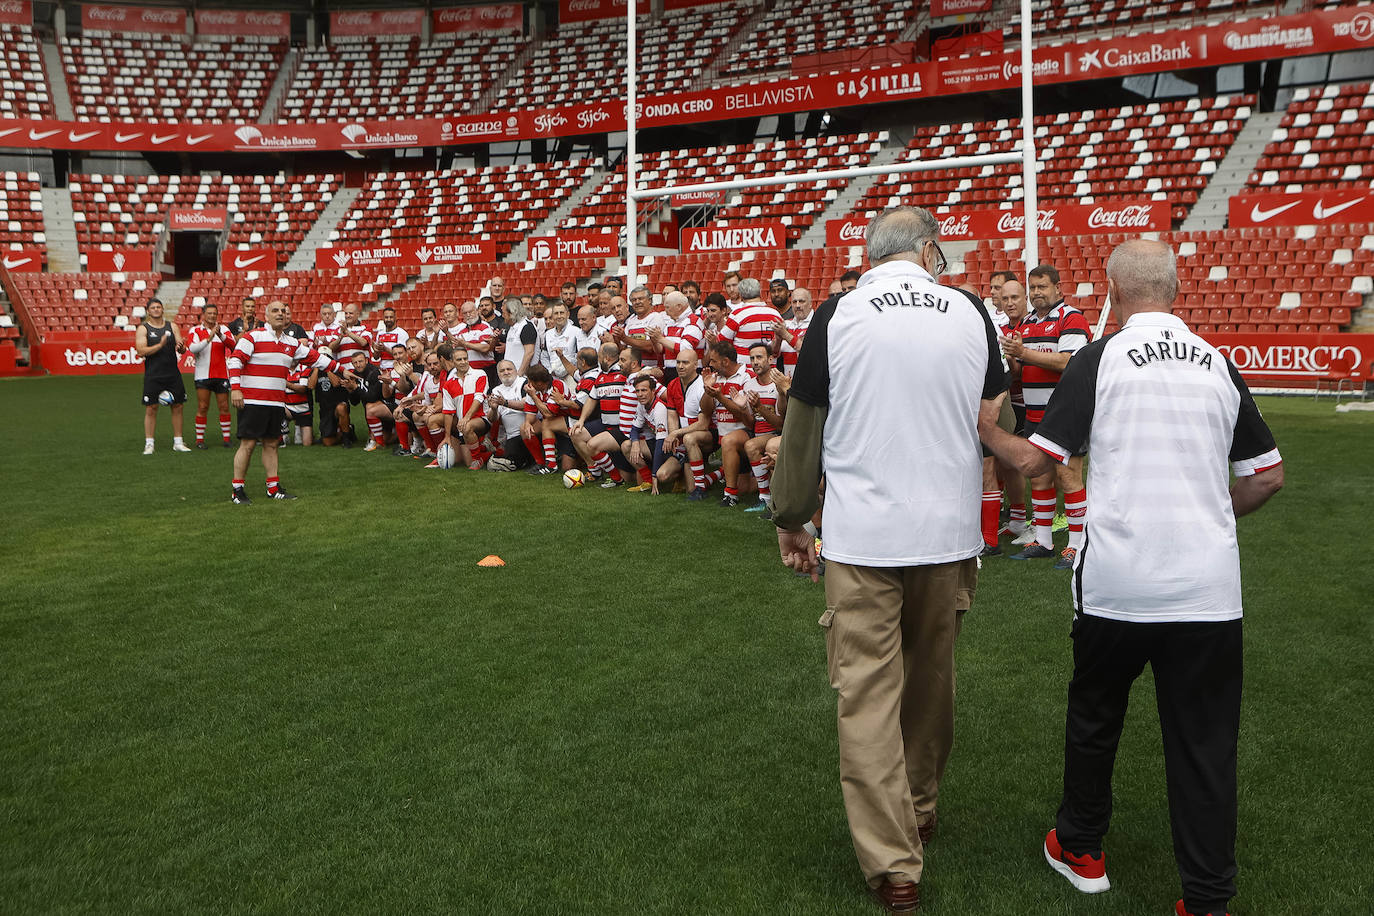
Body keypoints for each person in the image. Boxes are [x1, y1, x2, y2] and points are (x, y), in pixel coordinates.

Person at [977, 239, 1283, 916]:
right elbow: (1267, 476)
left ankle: (1082, 848)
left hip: (1118, 583)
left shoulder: (1100, 357)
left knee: (1095, 716)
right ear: (1178, 289)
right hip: (1205, 590)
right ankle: (1206, 899)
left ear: (1111, 290)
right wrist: (1211, 514)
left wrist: (985, 429)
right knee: (1204, 743)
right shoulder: (1217, 363)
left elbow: (1035, 462)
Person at [771, 206, 1006, 913]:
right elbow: (1000, 417)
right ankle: (921, 807)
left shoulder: (838, 314)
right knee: (932, 677)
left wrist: (788, 517)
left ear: (871, 255)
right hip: (947, 530)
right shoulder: (970, 311)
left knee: (867, 692)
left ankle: (893, 865)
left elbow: (802, 421)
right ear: (930, 250)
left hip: (865, 533)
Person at [1001, 264, 1091, 566]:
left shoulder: (1071, 317)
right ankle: (1043, 540)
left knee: (1069, 477)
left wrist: (1024, 353)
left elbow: (1068, 362)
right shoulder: (1026, 322)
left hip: (1066, 413)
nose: (1038, 293)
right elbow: (1021, 367)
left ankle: (1077, 545)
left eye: (1043, 287)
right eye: (1034, 288)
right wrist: (1011, 361)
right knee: (1038, 477)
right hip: (1035, 414)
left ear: (1058, 288)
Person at [228, 300, 354, 504]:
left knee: (271, 444)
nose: (280, 314)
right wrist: (235, 389)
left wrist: (341, 370)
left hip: (276, 403)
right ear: (266, 316)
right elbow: (235, 360)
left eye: (283, 311)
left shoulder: (291, 343)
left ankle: (273, 487)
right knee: (248, 444)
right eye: (275, 311)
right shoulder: (253, 336)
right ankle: (237, 489)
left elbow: (315, 358)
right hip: (252, 401)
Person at [135, 298, 190, 454]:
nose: (156, 309)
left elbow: (182, 349)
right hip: (153, 374)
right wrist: (160, 345)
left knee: (178, 406)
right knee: (151, 408)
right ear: (148, 311)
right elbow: (141, 351)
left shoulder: (172, 326)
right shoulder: (143, 328)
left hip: (172, 373)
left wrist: (181, 347)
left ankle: (178, 442)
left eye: (159, 307)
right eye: (153, 307)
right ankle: (149, 443)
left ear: (162, 309)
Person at [186, 302, 233, 449]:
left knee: (224, 406)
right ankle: (199, 440)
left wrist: (219, 335)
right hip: (203, 375)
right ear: (204, 315)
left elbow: (233, 345)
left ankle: (226, 439)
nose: (212, 316)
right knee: (203, 406)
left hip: (221, 375)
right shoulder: (195, 330)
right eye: (209, 313)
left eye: (214, 313)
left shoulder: (223, 329)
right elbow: (193, 348)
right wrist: (209, 338)